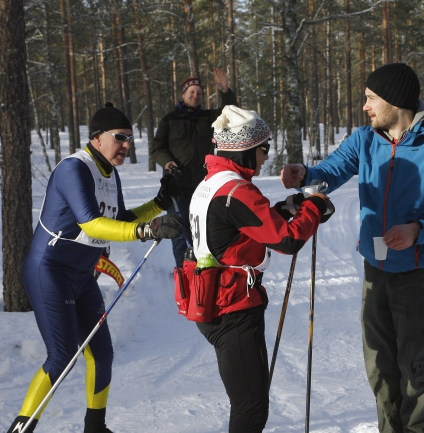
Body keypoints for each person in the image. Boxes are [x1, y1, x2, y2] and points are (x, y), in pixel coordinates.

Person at [280, 63, 424, 433]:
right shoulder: (365, 139)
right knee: (380, 370)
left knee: (416, 374)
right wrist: (306, 175)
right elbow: (334, 170)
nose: (365, 106)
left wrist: (420, 229)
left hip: (419, 275)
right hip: (376, 269)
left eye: (372, 98)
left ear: (395, 101)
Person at [6, 103, 184, 433]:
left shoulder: (109, 173)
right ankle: (20, 429)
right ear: (98, 138)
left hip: (83, 276)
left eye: (130, 138)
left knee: (101, 354)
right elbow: (91, 224)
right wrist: (146, 231)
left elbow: (118, 221)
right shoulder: (74, 169)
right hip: (50, 271)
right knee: (61, 356)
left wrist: (158, 204)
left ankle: (95, 428)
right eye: (121, 137)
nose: (127, 145)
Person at [188, 106, 334, 432]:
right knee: (251, 408)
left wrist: (289, 207)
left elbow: (248, 228)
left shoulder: (214, 182)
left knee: (250, 403)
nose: (267, 155)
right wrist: (315, 206)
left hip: (217, 302)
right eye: (264, 147)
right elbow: (287, 241)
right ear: (245, 149)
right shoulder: (235, 191)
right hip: (232, 310)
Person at [151, 67, 239, 269]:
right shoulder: (169, 120)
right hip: (176, 186)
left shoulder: (210, 118)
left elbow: (232, 113)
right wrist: (167, 161)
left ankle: (203, 272)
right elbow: (157, 147)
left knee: (204, 230)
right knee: (180, 232)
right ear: (183, 95)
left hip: (203, 185)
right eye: (191, 92)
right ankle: (183, 274)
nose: (195, 95)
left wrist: (225, 91)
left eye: (199, 93)